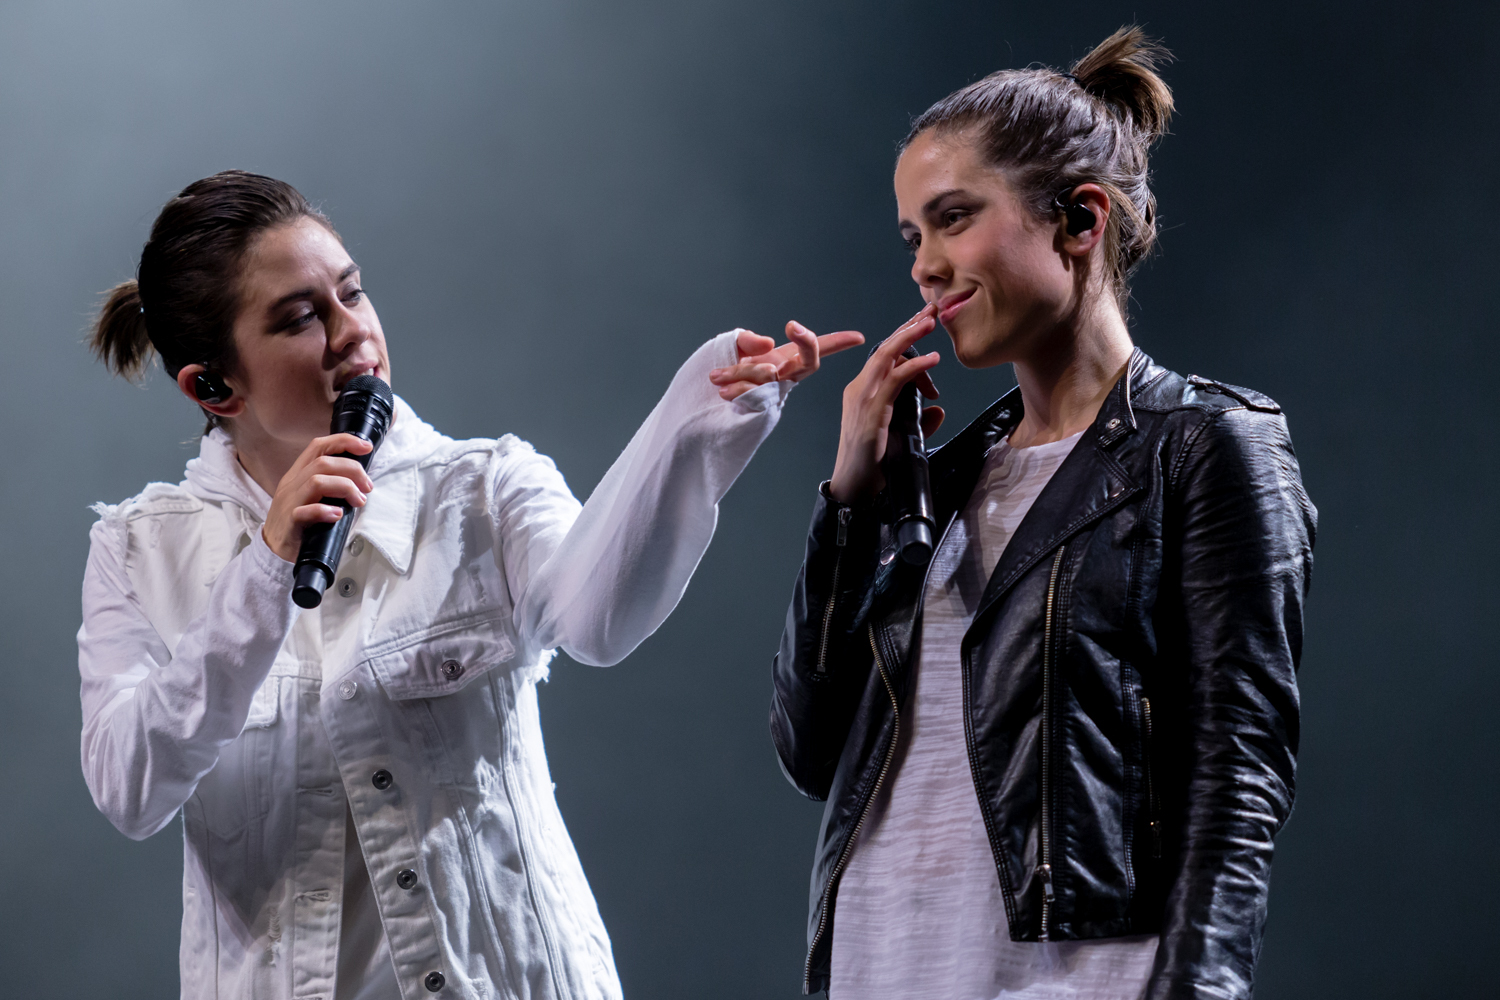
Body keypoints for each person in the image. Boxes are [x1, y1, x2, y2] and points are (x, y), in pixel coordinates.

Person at [79, 170, 858, 1000]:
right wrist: (266, 571)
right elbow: (130, 787)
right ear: (211, 385)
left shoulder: (485, 487)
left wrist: (692, 424)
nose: (355, 335)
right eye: (302, 317)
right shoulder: (138, 550)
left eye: (354, 293)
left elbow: (597, 619)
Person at [767, 27, 1317, 1000]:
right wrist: (853, 497)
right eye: (912, 237)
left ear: (1079, 219)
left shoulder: (1203, 451)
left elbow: (1236, 790)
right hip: (877, 968)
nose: (925, 266)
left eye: (952, 218)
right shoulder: (941, 477)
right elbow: (812, 752)